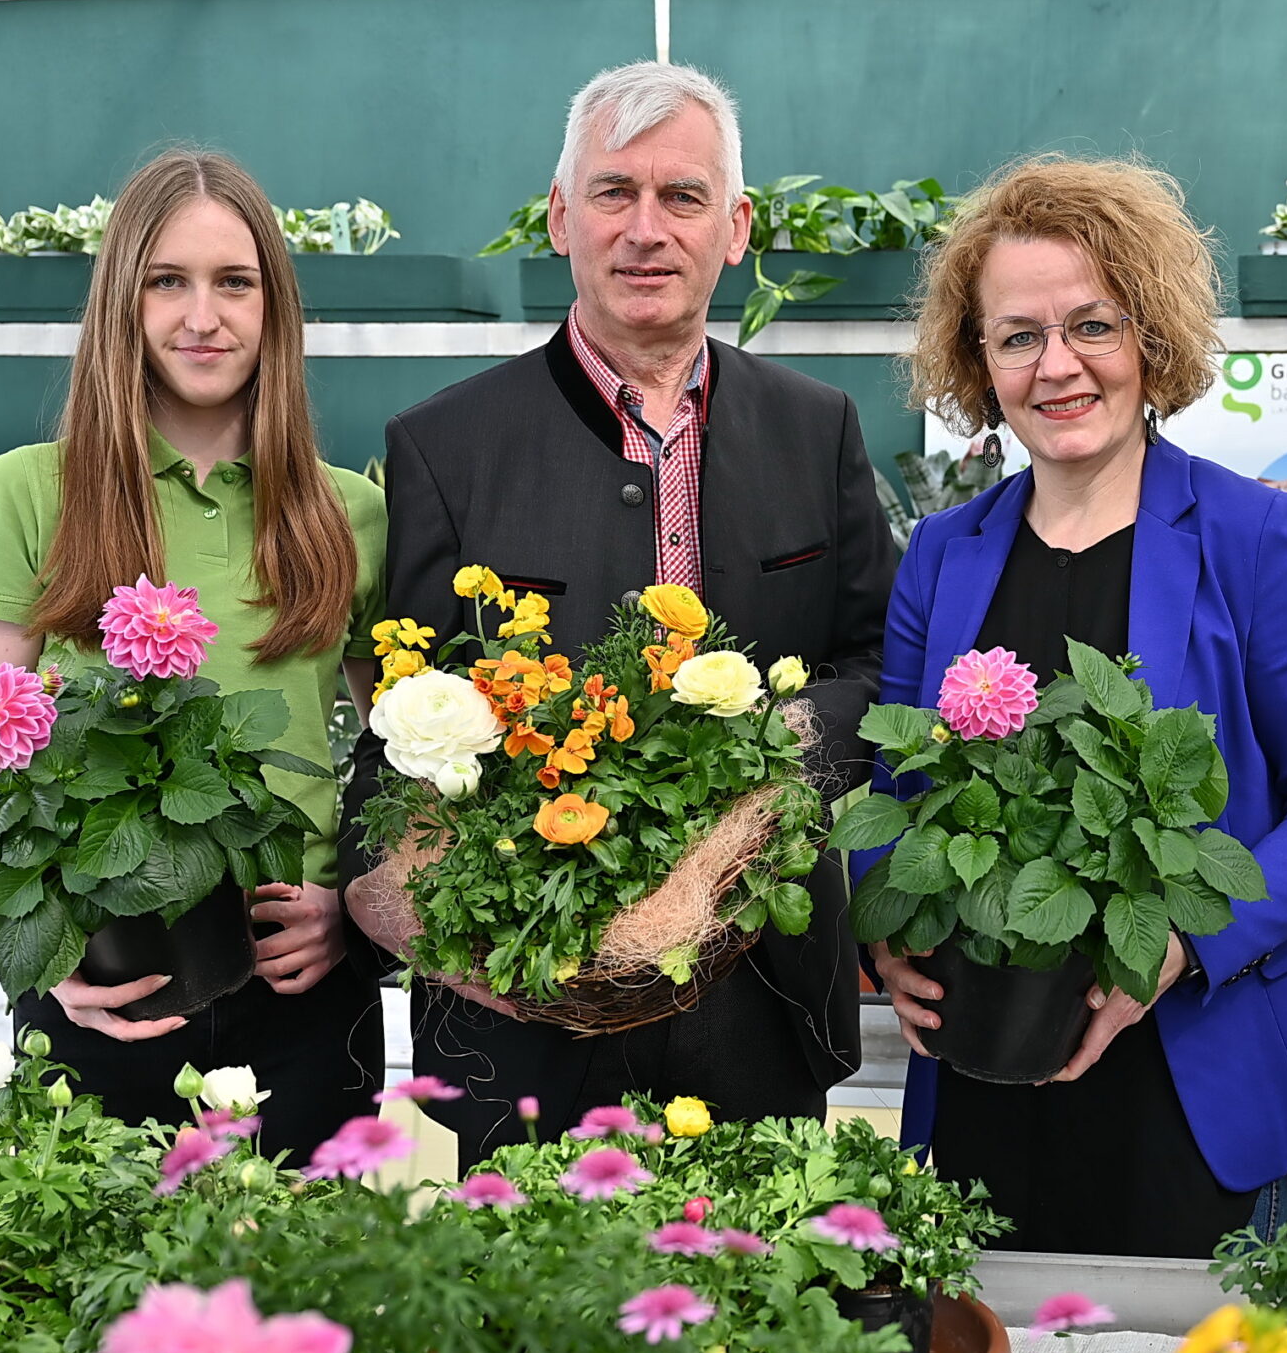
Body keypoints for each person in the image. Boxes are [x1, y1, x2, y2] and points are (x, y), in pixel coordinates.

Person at [351, 61, 896, 1162]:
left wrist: (770, 742)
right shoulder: (445, 447)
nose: (647, 228)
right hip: (522, 1006)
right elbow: (400, 718)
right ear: (560, 216)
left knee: (758, 1298)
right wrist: (406, 919)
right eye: (614, 192)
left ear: (735, 228)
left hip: (761, 1000)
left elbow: (876, 664)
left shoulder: (816, 428)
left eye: (683, 197)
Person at [870, 156, 1287, 1258]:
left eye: (1091, 326)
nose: (1056, 366)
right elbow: (895, 793)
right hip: (982, 1070)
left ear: (1148, 338)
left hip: (1198, 1081)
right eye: (1017, 335)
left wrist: (1176, 947)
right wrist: (887, 944)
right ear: (978, 362)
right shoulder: (939, 556)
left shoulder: (1255, 539)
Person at [0, 148, 388, 1163]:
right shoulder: (28, 492)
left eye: (235, 282)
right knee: (92, 1298)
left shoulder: (347, 513)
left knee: (307, 1293)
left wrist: (352, 907)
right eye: (167, 281)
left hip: (303, 983)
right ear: (122, 303)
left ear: (275, 305)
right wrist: (46, 961)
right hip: (107, 978)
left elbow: (404, 765)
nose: (204, 316)